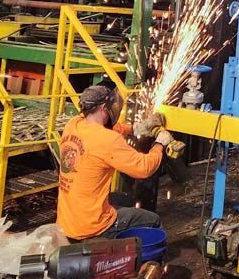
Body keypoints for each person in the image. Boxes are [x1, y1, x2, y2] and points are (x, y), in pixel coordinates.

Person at [56, 84, 173, 242]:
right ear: (104, 108)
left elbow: (107, 128)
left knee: (125, 199)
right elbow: (144, 168)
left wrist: (135, 129)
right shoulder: (108, 140)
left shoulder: (73, 124)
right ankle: (142, 264)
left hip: (67, 222)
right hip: (92, 226)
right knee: (152, 220)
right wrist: (160, 144)